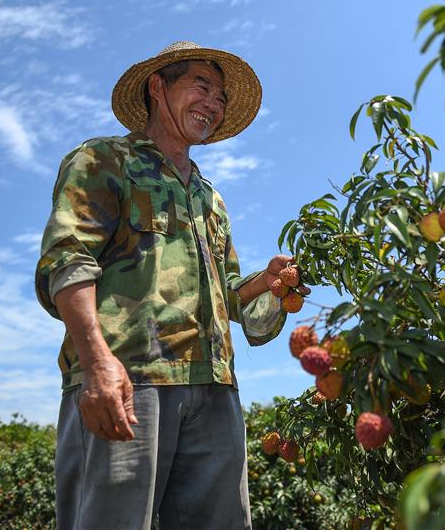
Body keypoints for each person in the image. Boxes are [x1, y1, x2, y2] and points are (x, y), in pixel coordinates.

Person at [35, 41, 307, 529]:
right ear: (157, 87)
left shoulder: (210, 198)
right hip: (128, 381)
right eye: (201, 86)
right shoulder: (104, 160)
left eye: (221, 97)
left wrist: (266, 284)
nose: (213, 104)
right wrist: (98, 362)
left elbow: (228, 295)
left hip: (213, 389)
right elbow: (66, 261)